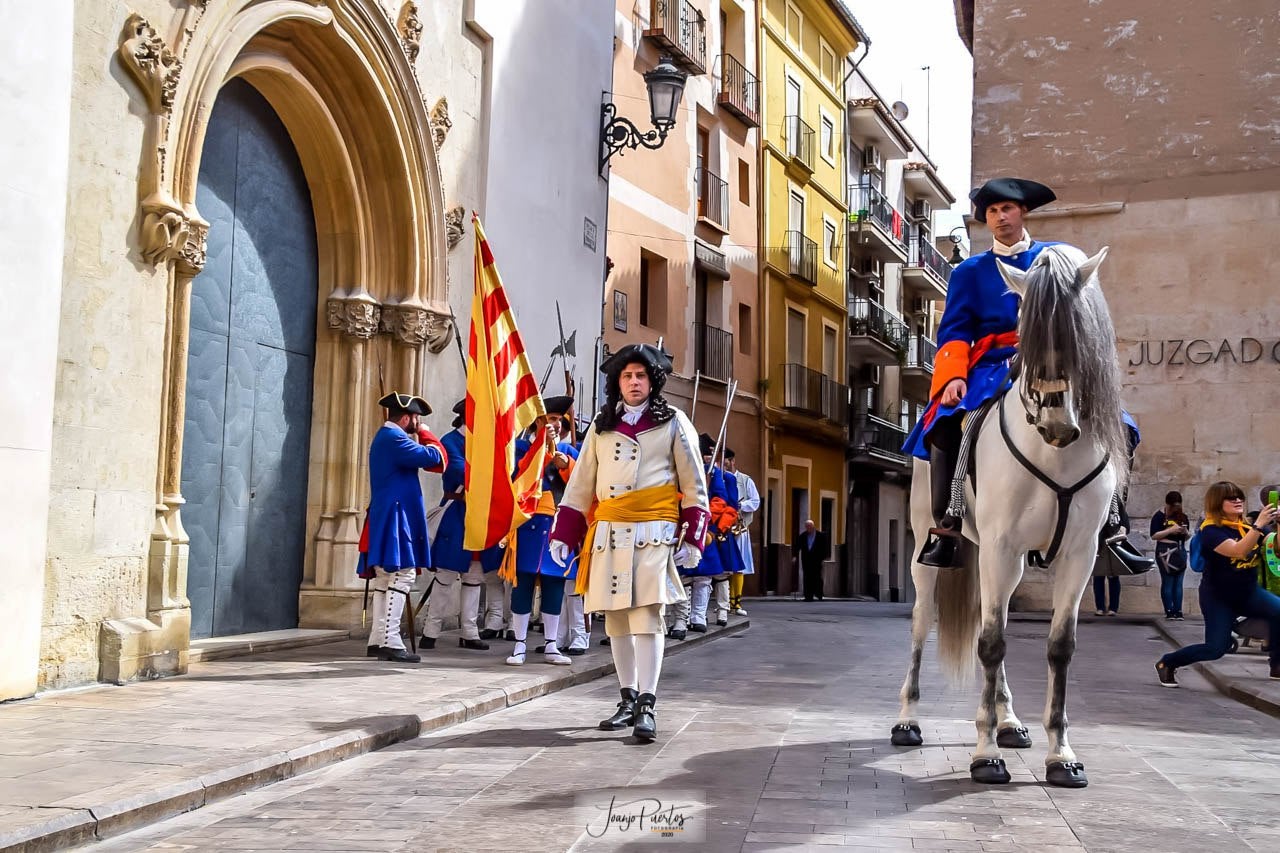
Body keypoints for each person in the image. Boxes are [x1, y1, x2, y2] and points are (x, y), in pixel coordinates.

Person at [903, 178, 1150, 573]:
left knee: (1122, 427)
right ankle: (948, 523)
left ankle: (1114, 525)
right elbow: (954, 329)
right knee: (944, 425)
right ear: (986, 220)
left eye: (1007, 209)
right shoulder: (970, 271)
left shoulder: (1059, 257)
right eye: (992, 212)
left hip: (1055, 359)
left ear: (1023, 212)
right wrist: (952, 376)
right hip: (993, 363)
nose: (1000, 217)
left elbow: (1086, 313)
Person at [548, 343, 710, 741]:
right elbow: (581, 483)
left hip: (652, 532)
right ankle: (626, 697)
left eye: (640, 375)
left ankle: (647, 705)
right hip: (608, 534)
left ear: (652, 382)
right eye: (626, 376)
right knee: (616, 621)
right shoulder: (602, 427)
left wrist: (693, 538)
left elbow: (694, 486)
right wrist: (565, 533)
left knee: (646, 618)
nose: (633, 382)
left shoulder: (674, 421)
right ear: (617, 382)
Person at [1156, 482, 1280, 686]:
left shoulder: (1248, 527)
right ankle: (1168, 663)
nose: (1238, 501)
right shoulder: (1211, 531)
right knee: (1215, 649)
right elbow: (1238, 550)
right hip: (1219, 598)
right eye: (1231, 498)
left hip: (1249, 593)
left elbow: (1277, 549)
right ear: (1217, 503)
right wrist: (1259, 525)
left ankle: (1277, 665)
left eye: (1240, 497)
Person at [358, 392, 447, 663]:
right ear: (408, 417)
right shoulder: (395, 439)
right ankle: (391, 640)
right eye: (417, 418)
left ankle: (378, 639)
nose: (418, 423)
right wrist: (428, 434)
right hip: (395, 518)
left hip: (391, 515)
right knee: (401, 576)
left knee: (386, 579)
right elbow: (438, 459)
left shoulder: (389, 438)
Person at [420, 400, 503, 652]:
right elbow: (457, 470)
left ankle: (469, 631)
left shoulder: (487, 442)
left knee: (474, 576)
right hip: (456, 513)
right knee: (445, 575)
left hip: (479, 515)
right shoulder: (451, 440)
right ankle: (430, 631)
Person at [504, 396, 579, 666]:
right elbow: (519, 476)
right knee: (522, 583)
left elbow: (581, 483)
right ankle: (520, 644)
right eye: (550, 419)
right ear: (538, 422)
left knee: (554, 584)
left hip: (557, 525)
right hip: (528, 524)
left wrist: (565, 466)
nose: (555, 424)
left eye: (559, 419)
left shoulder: (571, 452)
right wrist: (542, 449)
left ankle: (551, 644)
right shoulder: (523, 447)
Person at [724, 449, 760, 616]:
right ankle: (724, 603)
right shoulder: (720, 479)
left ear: (733, 462)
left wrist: (740, 505)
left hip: (740, 529)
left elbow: (755, 501)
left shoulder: (745, 481)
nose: (724, 467)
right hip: (723, 529)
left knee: (738, 567)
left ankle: (736, 603)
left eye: (726, 463)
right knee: (724, 568)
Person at [1151, 490, 1190, 619]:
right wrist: (1170, 530)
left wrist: (1185, 532)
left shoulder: (1182, 516)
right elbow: (1154, 535)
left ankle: (1178, 610)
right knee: (1168, 581)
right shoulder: (1159, 516)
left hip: (1179, 549)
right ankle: (1169, 610)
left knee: (1178, 583)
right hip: (1165, 551)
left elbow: (1187, 536)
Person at [797, 519, 829, 601]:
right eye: (807, 527)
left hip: (817, 560)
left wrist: (823, 557)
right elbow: (798, 547)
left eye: (810, 526)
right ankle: (808, 596)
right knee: (807, 577)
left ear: (813, 526)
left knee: (817, 577)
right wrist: (794, 556)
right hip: (806, 560)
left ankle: (819, 594)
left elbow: (824, 547)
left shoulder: (820, 536)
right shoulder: (803, 536)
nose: (808, 528)